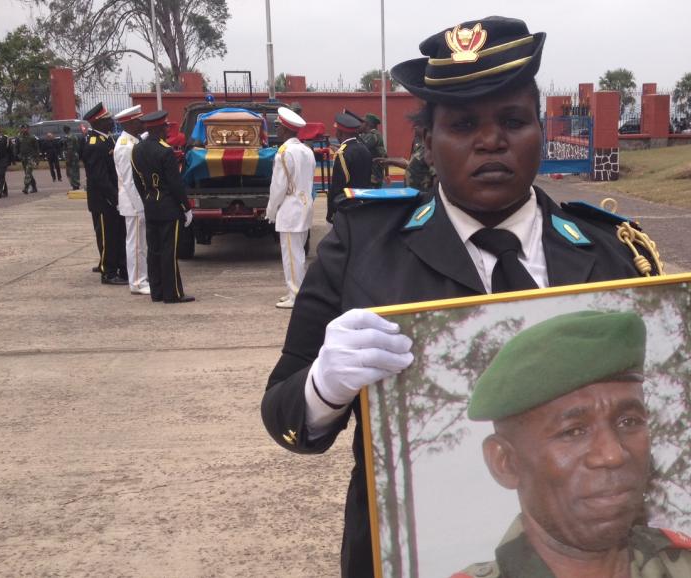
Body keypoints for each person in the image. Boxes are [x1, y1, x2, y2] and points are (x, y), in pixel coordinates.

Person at [260, 16, 662, 578]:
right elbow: (282, 413)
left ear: (540, 130)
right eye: (463, 124)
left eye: (513, 121)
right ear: (426, 143)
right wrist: (322, 388)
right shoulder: (362, 247)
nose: (491, 141)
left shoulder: (612, 252)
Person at [454, 311, 691, 578]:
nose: (613, 454)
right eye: (574, 431)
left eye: (629, 422)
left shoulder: (688, 569)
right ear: (506, 463)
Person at [131, 110, 195, 304]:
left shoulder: (137, 149)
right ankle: (172, 293)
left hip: (150, 204)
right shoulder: (165, 151)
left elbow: (137, 181)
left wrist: (147, 199)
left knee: (154, 250)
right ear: (159, 128)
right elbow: (175, 184)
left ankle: (157, 291)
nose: (167, 129)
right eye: (165, 126)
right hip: (168, 208)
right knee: (169, 251)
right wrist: (186, 207)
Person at [265, 106, 316, 309]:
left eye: (278, 126)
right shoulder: (307, 151)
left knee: (292, 256)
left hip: (290, 208)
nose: (276, 130)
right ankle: (295, 291)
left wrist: (271, 211)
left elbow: (278, 187)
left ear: (285, 129)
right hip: (305, 204)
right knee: (298, 254)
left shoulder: (284, 153)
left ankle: (295, 295)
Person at [81, 102, 128, 285]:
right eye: (108, 119)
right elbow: (99, 177)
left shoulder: (106, 139)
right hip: (103, 201)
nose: (112, 122)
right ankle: (108, 273)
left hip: (110, 198)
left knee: (115, 235)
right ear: (98, 122)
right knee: (107, 236)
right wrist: (115, 198)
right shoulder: (95, 144)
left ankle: (115, 265)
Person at [112, 104, 151, 296]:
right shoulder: (126, 147)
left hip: (136, 203)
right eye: (138, 121)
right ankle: (137, 282)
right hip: (134, 204)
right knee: (136, 245)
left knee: (141, 245)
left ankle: (142, 277)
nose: (142, 124)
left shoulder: (132, 141)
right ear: (129, 123)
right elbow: (130, 181)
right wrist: (141, 207)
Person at [325, 111, 372, 223]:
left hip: (346, 208)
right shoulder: (364, 149)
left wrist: (331, 211)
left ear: (340, 133)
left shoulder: (342, 153)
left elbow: (337, 186)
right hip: (363, 204)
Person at [359, 113, 387, 188]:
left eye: (362, 122)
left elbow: (360, 150)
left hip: (372, 177)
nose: (360, 124)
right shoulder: (369, 135)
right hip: (370, 176)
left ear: (368, 124)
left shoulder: (373, 136)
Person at [16, 124, 41, 195]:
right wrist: (17, 155)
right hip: (23, 158)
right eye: (22, 128)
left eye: (25, 128)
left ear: (28, 129)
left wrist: (37, 159)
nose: (24, 130)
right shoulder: (19, 138)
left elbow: (37, 149)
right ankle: (34, 187)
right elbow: (16, 147)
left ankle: (26, 187)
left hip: (31, 157)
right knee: (28, 173)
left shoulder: (32, 137)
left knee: (28, 172)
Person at [63, 124, 82, 190]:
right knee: (76, 171)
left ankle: (75, 185)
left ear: (65, 130)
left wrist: (68, 159)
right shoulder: (74, 136)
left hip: (71, 156)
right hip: (75, 155)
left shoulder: (69, 137)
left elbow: (70, 148)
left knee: (71, 171)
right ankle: (76, 185)